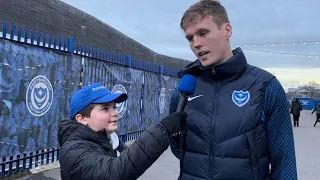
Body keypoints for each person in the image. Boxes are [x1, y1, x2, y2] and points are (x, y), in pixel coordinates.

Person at [168, 0, 297, 179]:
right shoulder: (184, 90)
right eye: (190, 38)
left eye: (203, 33)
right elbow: (177, 147)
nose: (196, 43)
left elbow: (284, 162)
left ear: (227, 30)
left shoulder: (266, 87)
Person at [58, 83, 187, 180]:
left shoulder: (112, 140)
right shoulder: (73, 150)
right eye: (105, 108)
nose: (115, 113)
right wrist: (163, 130)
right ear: (82, 118)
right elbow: (114, 172)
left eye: (114, 107)